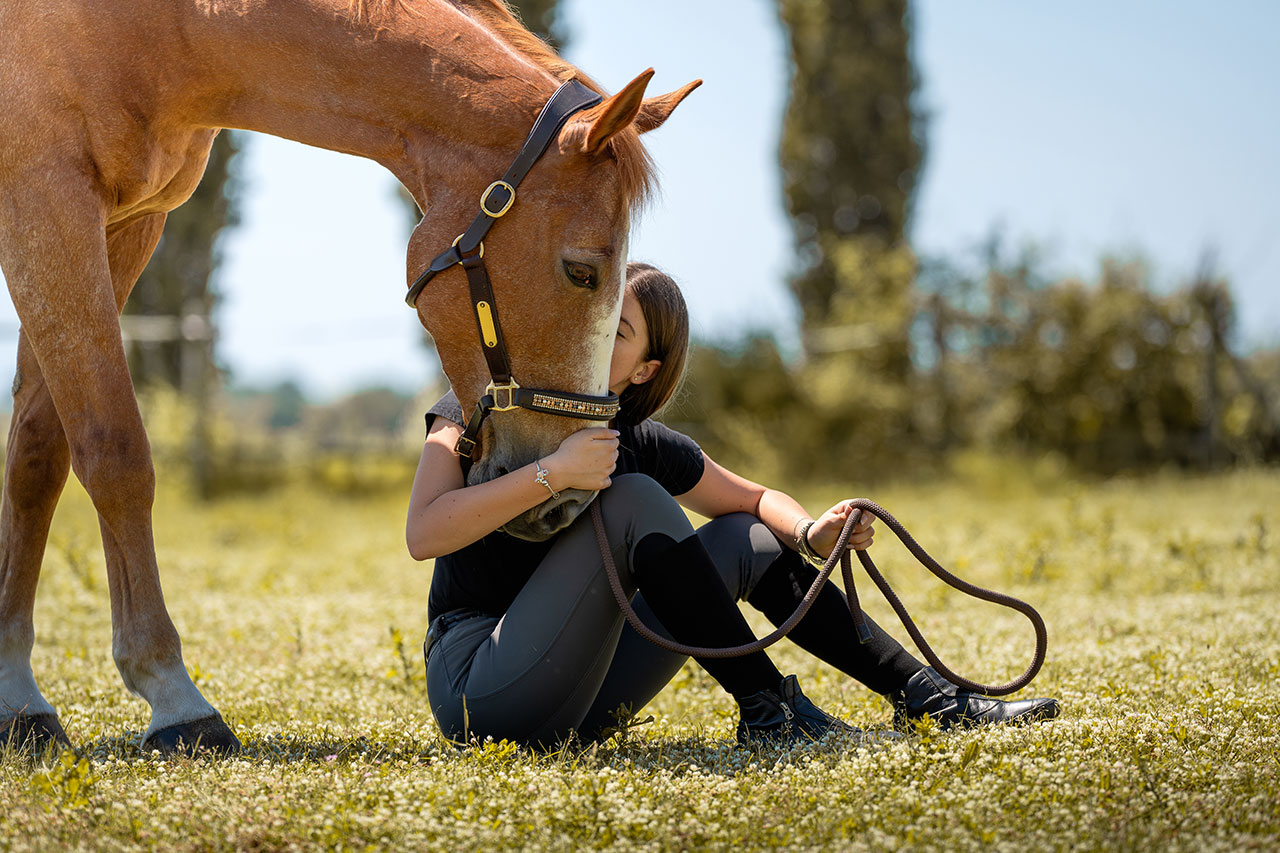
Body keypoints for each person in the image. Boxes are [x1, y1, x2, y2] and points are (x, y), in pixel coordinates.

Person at [407, 262, 1059, 749]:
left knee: (750, 536)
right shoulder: (480, 402)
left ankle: (930, 699)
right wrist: (554, 473)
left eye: (618, 331)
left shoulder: (639, 442)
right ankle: (769, 709)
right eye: (591, 316)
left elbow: (755, 498)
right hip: (479, 687)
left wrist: (810, 530)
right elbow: (424, 532)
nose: (593, 334)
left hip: (584, 698)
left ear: (643, 370)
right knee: (635, 500)